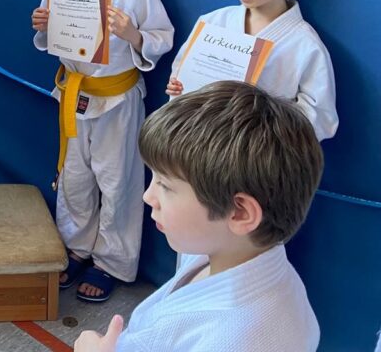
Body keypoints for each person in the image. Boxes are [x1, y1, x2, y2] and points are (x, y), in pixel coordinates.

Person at [74, 81, 323, 351]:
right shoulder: (228, 253)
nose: (148, 197)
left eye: (166, 186)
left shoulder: (235, 340)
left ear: (240, 212)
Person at [31, 0, 173, 301]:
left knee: (117, 180)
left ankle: (111, 262)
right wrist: (42, 23)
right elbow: (49, 36)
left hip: (118, 98)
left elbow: (162, 37)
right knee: (74, 177)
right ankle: (76, 247)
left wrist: (133, 34)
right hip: (75, 93)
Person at [166, 0, 337, 141]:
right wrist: (179, 87)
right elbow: (181, 74)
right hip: (203, 142)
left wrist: (264, 120)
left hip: (261, 151)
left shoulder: (305, 44)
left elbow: (322, 119)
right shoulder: (213, 22)